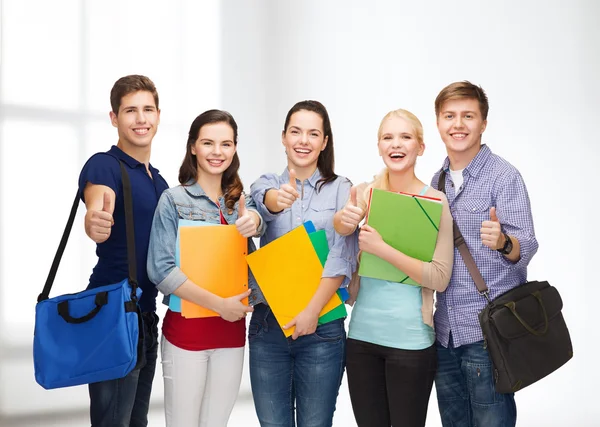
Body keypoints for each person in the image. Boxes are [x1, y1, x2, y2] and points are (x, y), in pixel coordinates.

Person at [333, 109, 454, 427]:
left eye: (405, 137)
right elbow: (340, 233)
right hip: (361, 340)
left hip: (411, 343)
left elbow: (440, 278)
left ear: (421, 147)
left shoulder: (435, 202)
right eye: (388, 137)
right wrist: (344, 221)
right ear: (378, 145)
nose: (396, 144)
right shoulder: (363, 194)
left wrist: (383, 250)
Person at [431, 81, 539, 427]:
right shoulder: (437, 181)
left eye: (468, 116)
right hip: (445, 334)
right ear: (438, 123)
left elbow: (527, 246)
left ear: (483, 124)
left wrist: (504, 242)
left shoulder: (503, 177)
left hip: (486, 335)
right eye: (450, 116)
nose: (458, 124)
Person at [146, 109, 263, 427]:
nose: (217, 151)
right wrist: (219, 305)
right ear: (193, 147)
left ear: (235, 148)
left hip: (231, 334)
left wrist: (253, 220)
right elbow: (161, 270)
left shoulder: (240, 202)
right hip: (187, 334)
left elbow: (258, 221)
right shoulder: (173, 200)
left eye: (226, 144)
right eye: (208, 142)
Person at [249, 100, 358, 427]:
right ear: (283, 137)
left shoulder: (342, 189)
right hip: (269, 327)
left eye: (313, 134)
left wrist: (312, 311)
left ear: (325, 142)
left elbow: (342, 256)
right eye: (295, 131)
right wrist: (273, 201)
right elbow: (260, 205)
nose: (303, 140)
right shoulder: (266, 183)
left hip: (323, 329)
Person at [79, 74, 169, 427]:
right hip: (113, 311)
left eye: (148, 109)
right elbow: (97, 204)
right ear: (115, 118)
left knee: (136, 421)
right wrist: (95, 221)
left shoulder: (159, 181)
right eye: (130, 110)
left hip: (145, 314)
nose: (141, 118)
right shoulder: (105, 165)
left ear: (159, 115)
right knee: (112, 421)